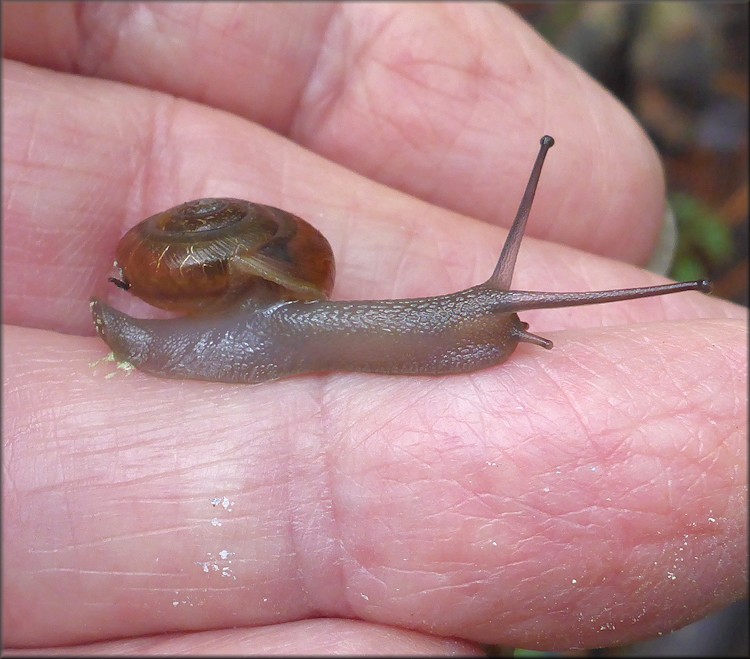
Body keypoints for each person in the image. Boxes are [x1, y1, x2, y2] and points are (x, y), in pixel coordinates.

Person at [3, 3, 746, 654]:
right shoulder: (240, 285)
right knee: (381, 320)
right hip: (255, 304)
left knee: (450, 314)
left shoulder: (277, 286)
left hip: (270, 300)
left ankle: (488, 323)